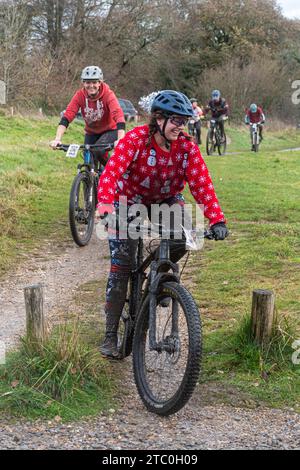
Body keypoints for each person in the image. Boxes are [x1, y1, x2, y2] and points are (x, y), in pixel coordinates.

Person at [95, 90, 229, 358]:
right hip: (128, 199)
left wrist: (217, 219)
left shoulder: (187, 148)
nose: (181, 126)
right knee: (122, 264)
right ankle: (111, 335)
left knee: (181, 237)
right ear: (158, 119)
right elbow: (111, 174)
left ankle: (162, 277)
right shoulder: (135, 141)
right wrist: (106, 209)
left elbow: (201, 184)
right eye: (176, 120)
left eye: (184, 121)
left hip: (166, 198)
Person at [50, 66, 126, 164]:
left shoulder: (108, 95)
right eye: (87, 82)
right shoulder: (79, 96)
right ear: (83, 83)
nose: (91, 85)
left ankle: (111, 172)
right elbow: (67, 116)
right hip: (91, 133)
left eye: (94, 82)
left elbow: (118, 115)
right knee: (88, 160)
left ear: (100, 82)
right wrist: (57, 139)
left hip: (110, 131)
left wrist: (120, 139)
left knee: (98, 151)